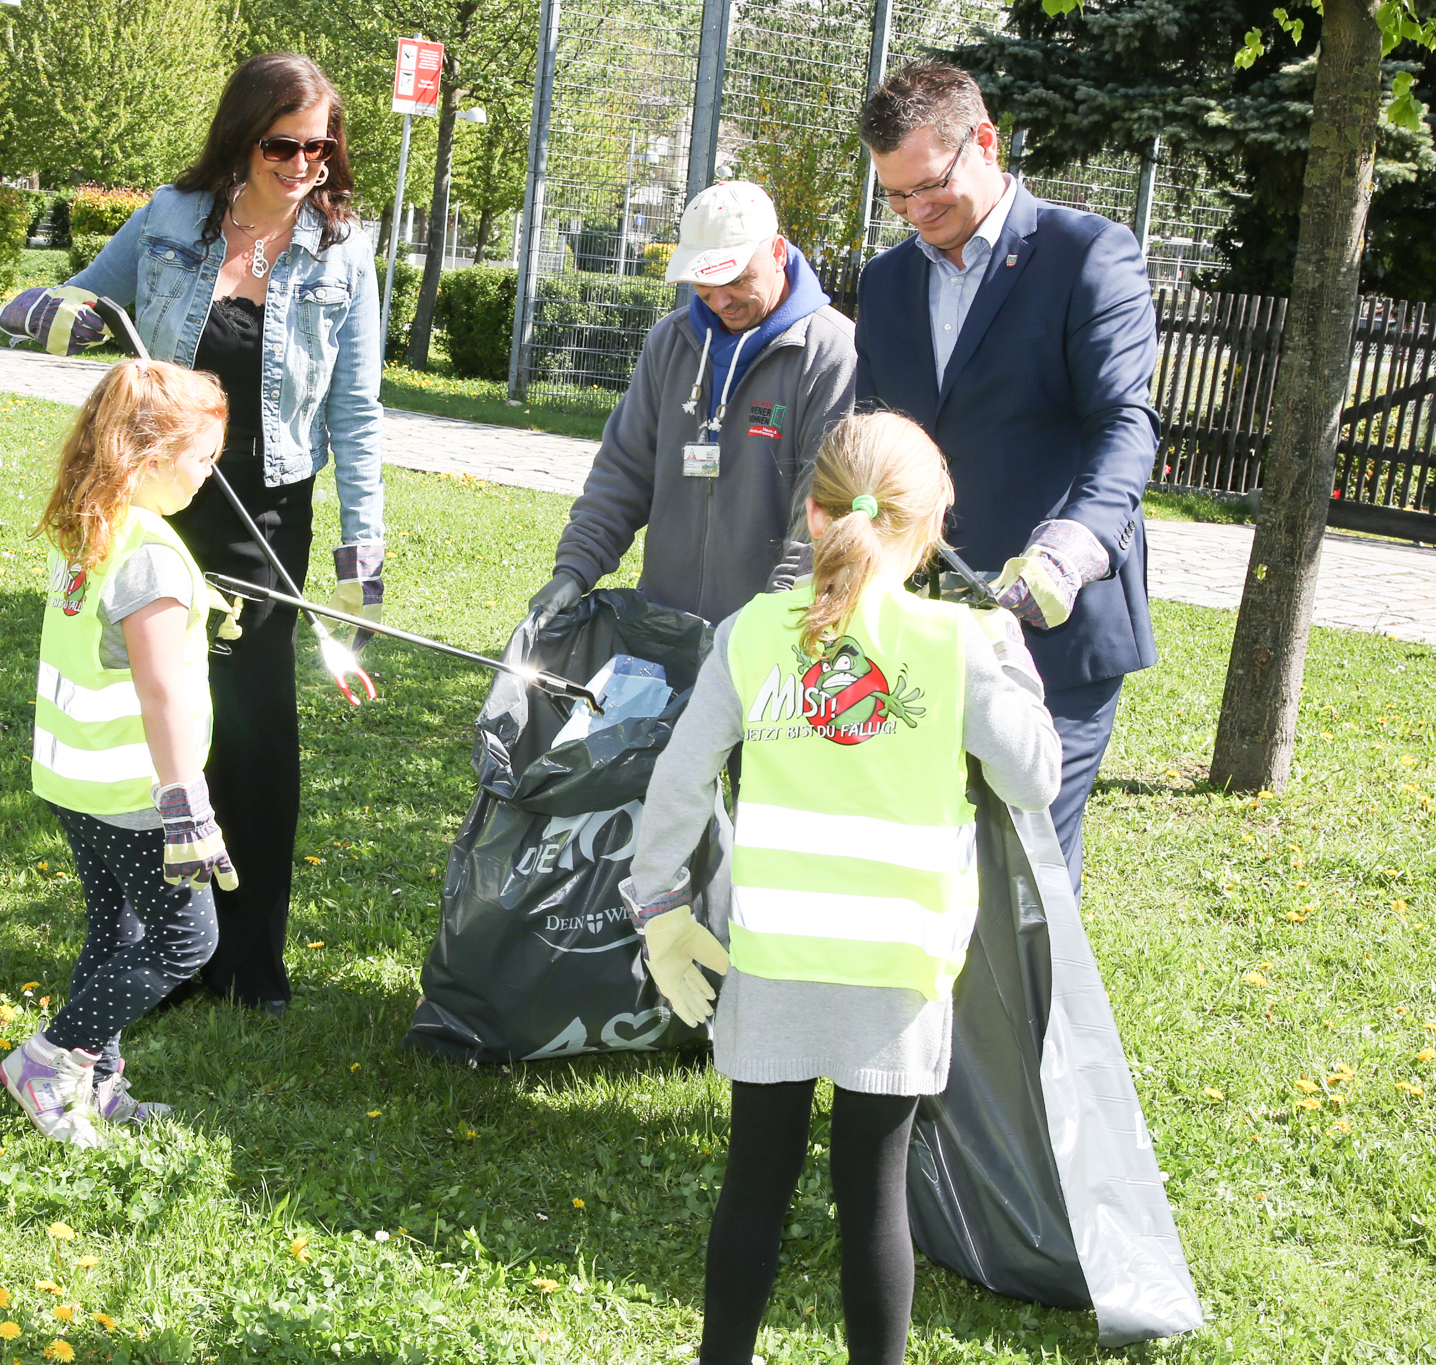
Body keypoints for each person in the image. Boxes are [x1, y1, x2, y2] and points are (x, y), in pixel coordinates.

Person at [622, 412, 1061, 1365]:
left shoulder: (749, 634)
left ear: (813, 516)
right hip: (897, 971)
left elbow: (680, 779)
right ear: (931, 524)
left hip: (772, 957)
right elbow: (1035, 782)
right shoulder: (956, 645)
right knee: (873, 1194)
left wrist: (658, 908)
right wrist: (1011, 655)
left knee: (755, 1183)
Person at [0, 53, 384, 1013]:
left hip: (270, 508)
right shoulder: (171, 218)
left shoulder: (343, 250)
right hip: (159, 495)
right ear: (242, 139)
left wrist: (361, 540)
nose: (304, 164)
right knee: (156, 714)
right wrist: (47, 310)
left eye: (320, 146)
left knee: (253, 724)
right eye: (283, 145)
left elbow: (358, 405)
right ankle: (170, 950)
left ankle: (248, 958)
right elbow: (84, 299)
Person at [853, 61, 1160, 890]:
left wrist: (1075, 545)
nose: (917, 214)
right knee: (924, 871)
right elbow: (875, 443)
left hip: (1053, 631)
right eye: (896, 198)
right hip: (920, 628)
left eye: (931, 187)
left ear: (984, 141)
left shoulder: (1086, 254)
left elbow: (1124, 425)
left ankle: (1040, 1025)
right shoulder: (885, 282)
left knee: (1026, 879)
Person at [3, 359, 237, 1148]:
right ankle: (48, 1064)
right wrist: (187, 808)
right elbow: (162, 691)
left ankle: (95, 1085)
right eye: (202, 457)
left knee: (121, 930)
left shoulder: (93, 527)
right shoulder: (153, 558)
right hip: (137, 794)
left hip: (75, 779)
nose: (209, 475)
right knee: (186, 939)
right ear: (149, 452)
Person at [528, 180, 857, 626]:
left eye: (737, 278)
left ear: (777, 252)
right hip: (666, 624)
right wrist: (574, 568)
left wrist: (772, 620)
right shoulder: (672, 340)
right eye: (705, 281)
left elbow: (823, 512)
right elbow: (625, 469)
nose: (721, 300)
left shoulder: (831, 353)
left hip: (768, 636)